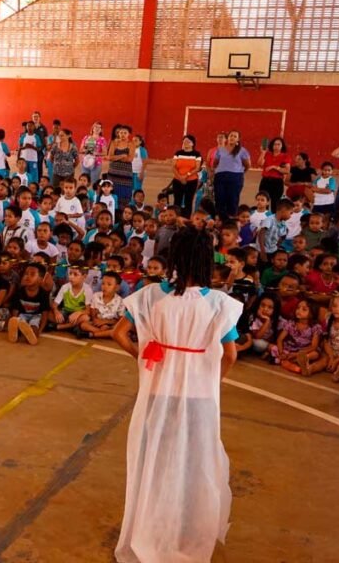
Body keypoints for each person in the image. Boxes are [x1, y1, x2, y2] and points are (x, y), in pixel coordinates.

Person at [112, 227, 242, 563]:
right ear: (206, 261)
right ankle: (184, 533)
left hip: (158, 392)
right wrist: (211, 380)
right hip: (199, 396)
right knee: (192, 463)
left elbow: (119, 333)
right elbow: (230, 355)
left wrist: (145, 359)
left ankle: (149, 530)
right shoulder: (218, 303)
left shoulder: (152, 295)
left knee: (154, 460)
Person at [212, 130, 252, 219]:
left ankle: (231, 221)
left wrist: (239, 173)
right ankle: (220, 220)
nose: (232, 137)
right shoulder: (220, 150)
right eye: (231, 135)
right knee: (219, 199)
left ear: (238, 139)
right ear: (228, 138)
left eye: (235, 136)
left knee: (232, 200)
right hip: (220, 178)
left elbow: (247, 165)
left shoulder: (242, 151)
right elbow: (215, 163)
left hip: (235, 178)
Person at [171, 135, 202, 218]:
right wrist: (180, 177)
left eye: (188, 141)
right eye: (184, 141)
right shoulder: (178, 153)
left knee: (188, 201)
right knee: (177, 200)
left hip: (191, 181)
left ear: (192, 144)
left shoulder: (196, 154)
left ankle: (186, 218)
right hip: (177, 180)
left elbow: (197, 168)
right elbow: (173, 167)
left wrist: (186, 176)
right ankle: (175, 218)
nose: (186, 143)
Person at [257, 137, 290, 208]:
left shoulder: (285, 156)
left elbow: (287, 170)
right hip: (265, 181)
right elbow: (260, 164)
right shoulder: (267, 154)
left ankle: (274, 219)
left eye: (279, 144)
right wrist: (263, 153)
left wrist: (274, 167)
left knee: (275, 204)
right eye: (275, 144)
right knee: (263, 202)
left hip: (277, 182)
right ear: (272, 145)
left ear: (282, 146)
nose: (276, 146)